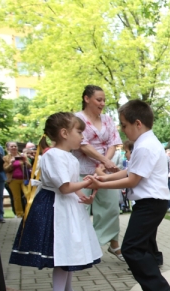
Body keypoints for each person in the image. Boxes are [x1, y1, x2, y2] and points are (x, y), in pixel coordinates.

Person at [10, 113, 100, 291]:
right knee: (62, 254)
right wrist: (87, 184)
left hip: (66, 206)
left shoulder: (68, 156)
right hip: (54, 209)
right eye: (79, 132)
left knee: (69, 251)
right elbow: (64, 186)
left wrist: (83, 196)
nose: (82, 137)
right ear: (64, 133)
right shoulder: (52, 155)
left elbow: (70, 185)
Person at [86, 100, 170, 291]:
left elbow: (132, 180)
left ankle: (160, 289)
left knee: (131, 248)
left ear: (138, 123)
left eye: (124, 125)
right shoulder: (145, 143)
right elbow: (127, 172)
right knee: (141, 248)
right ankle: (150, 290)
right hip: (150, 202)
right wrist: (103, 179)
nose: (122, 130)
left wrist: (101, 182)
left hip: (151, 203)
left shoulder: (145, 146)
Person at [72, 85, 125, 262]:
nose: (102, 103)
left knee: (111, 208)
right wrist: (104, 162)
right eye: (98, 99)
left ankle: (113, 244)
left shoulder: (108, 119)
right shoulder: (76, 119)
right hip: (82, 170)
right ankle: (82, 248)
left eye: (104, 100)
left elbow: (113, 143)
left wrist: (105, 163)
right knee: (81, 209)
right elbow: (83, 145)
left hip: (104, 171)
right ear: (87, 99)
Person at [2, 141, 31, 218]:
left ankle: (29, 211)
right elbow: (5, 169)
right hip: (13, 180)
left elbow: (29, 166)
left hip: (24, 179)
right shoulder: (6, 158)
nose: (14, 148)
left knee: (27, 194)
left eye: (15, 146)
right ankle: (19, 213)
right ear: (8, 148)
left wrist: (25, 161)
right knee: (17, 197)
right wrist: (11, 163)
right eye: (12, 146)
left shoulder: (22, 156)